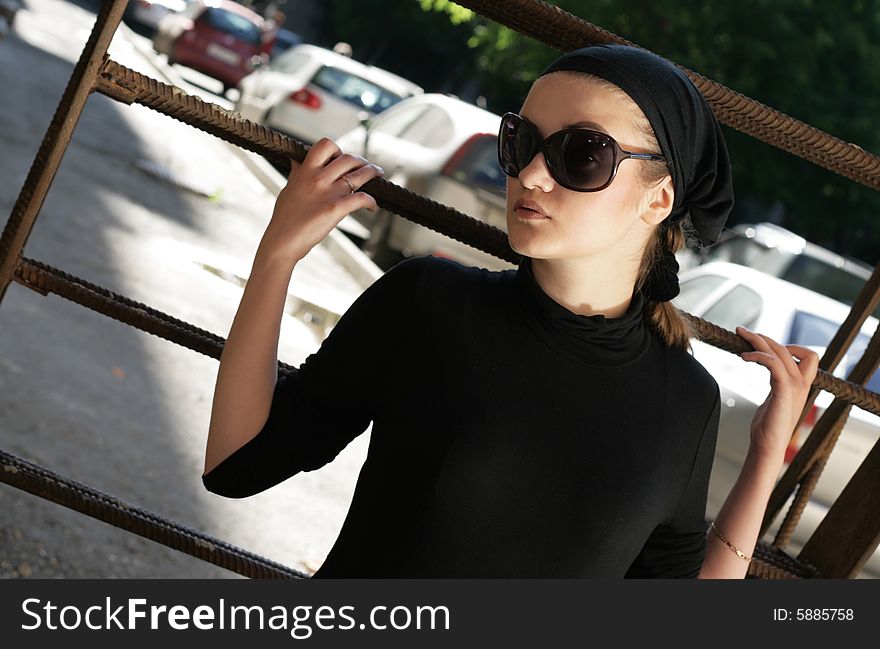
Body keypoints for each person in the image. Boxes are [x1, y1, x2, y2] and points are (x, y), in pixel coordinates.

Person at [202, 44, 819, 578]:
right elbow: (238, 463)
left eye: (580, 154)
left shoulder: (685, 400)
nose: (528, 174)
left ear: (658, 198)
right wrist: (277, 256)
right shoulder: (427, 303)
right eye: (520, 141)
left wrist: (766, 457)